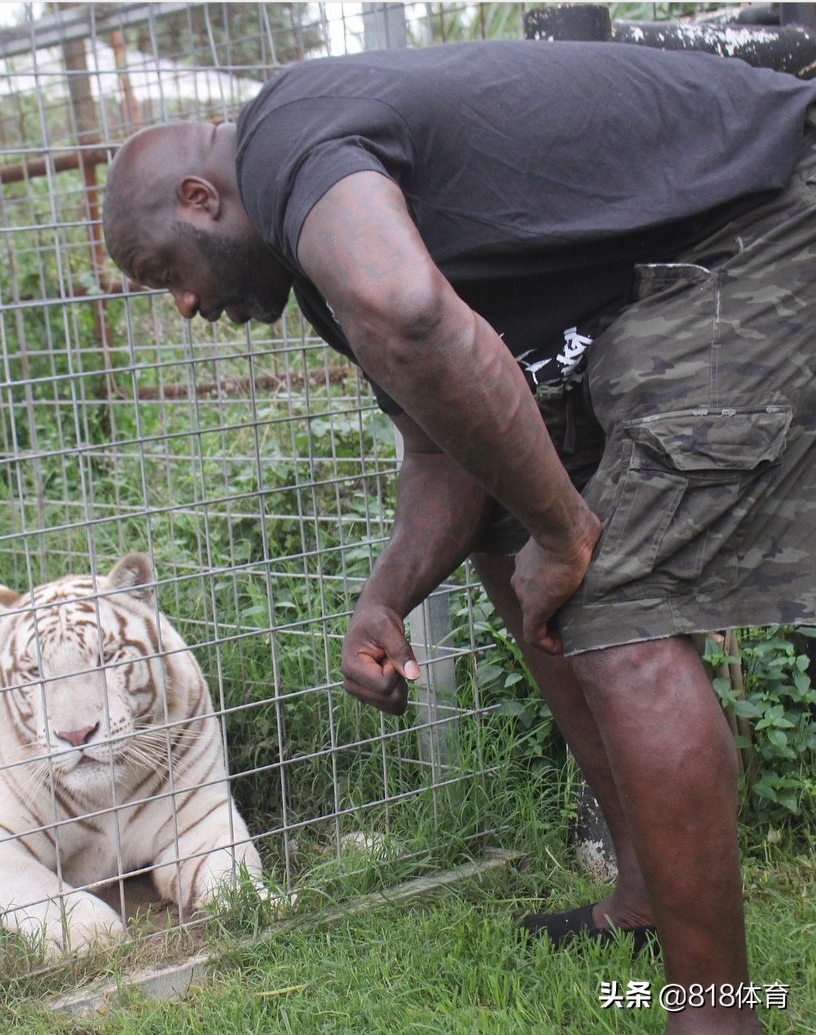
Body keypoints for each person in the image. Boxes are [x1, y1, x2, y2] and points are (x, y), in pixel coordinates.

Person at [102, 39, 816, 1035]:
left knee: (616, 608)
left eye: (163, 273)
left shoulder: (286, 141)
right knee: (502, 541)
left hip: (767, 215)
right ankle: (645, 899)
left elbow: (409, 309)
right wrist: (384, 596)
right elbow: (446, 456)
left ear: (197, 198)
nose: (182, 305)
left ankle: (715, 1017)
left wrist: (567, 532)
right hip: (665, 264)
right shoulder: (312, 246)